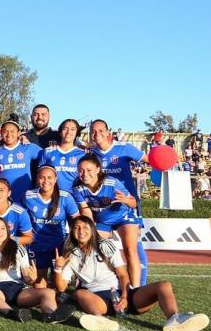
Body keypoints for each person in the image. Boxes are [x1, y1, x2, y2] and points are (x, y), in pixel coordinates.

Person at [53, 215, 209, 331]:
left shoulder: (105, 245)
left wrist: (125, 297)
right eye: (77, 228)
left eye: (85, 227)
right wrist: (58, 268)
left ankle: (175, 318)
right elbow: (61, 287)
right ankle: (99, 320)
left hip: (122, 294)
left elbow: (122, 274)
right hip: (99, 300)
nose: (81, 231)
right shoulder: (70, 255)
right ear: (72, 232)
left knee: (164, 285)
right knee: (80, 293)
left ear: (92, 230)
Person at [88, 119, 149, 285]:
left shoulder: (125, 148)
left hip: (127, 204)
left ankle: (139, 286)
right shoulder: (91, 153)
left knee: (133, 247)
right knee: (98, 247)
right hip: (102, 208)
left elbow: (150, 160)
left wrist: (163, 163)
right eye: (93, 131)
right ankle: (106, 284)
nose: (97, 134)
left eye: (101, 130)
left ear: (109, 132)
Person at [72, 155, 142, 288]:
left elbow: (133, 203)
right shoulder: (77, 187)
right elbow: (86, 210)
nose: (84, 174)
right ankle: (88, 284)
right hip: (102, 220)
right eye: (80, 170)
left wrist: (125, 200)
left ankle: (135, 289)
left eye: (89, 170)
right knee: (90, 247)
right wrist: (91, 231)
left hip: (123, 216)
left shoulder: (112, 183)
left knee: (130, 250)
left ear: (98, 169)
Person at [0, 217, 57, 322]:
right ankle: (12, 313)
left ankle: (50, 315)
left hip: (19, 290)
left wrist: (33, 279)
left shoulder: (18, 248)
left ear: (7, 230)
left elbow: (27, 279)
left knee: (49, 292)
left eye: (2, 228)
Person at [24, 165, 79, 285]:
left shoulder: (65, 197)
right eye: (42, 177)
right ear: (37, 179)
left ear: (55, 179)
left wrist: (74, 242)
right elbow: (20, 217)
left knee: (58, 285)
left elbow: (77, 220)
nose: (46, 181)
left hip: (58, 246)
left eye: (49, 177)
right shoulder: (28, 196)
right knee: (38, 284)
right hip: (37, 246)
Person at [0, 119, 42, 205]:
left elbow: (47, 156)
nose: (8, 135)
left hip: (24, 197)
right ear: (1, 133)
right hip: (3, 198)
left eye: (12, 131)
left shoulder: (27, 147)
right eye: (5, 132)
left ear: (19, 133)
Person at [0, 178, 33, 245]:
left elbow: (29, 238)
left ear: (9, 193)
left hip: (11, 247)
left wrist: (8, 239)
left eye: (1, 190)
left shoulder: (20, 212)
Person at [39, 119, 86, 193]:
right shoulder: (48, 151)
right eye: (65, 129)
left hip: (73, 198)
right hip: (52, 198)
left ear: (77, 133)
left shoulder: (82, 154)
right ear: (60, 132)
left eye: (72, 129)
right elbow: (39, 176)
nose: (68, 132)